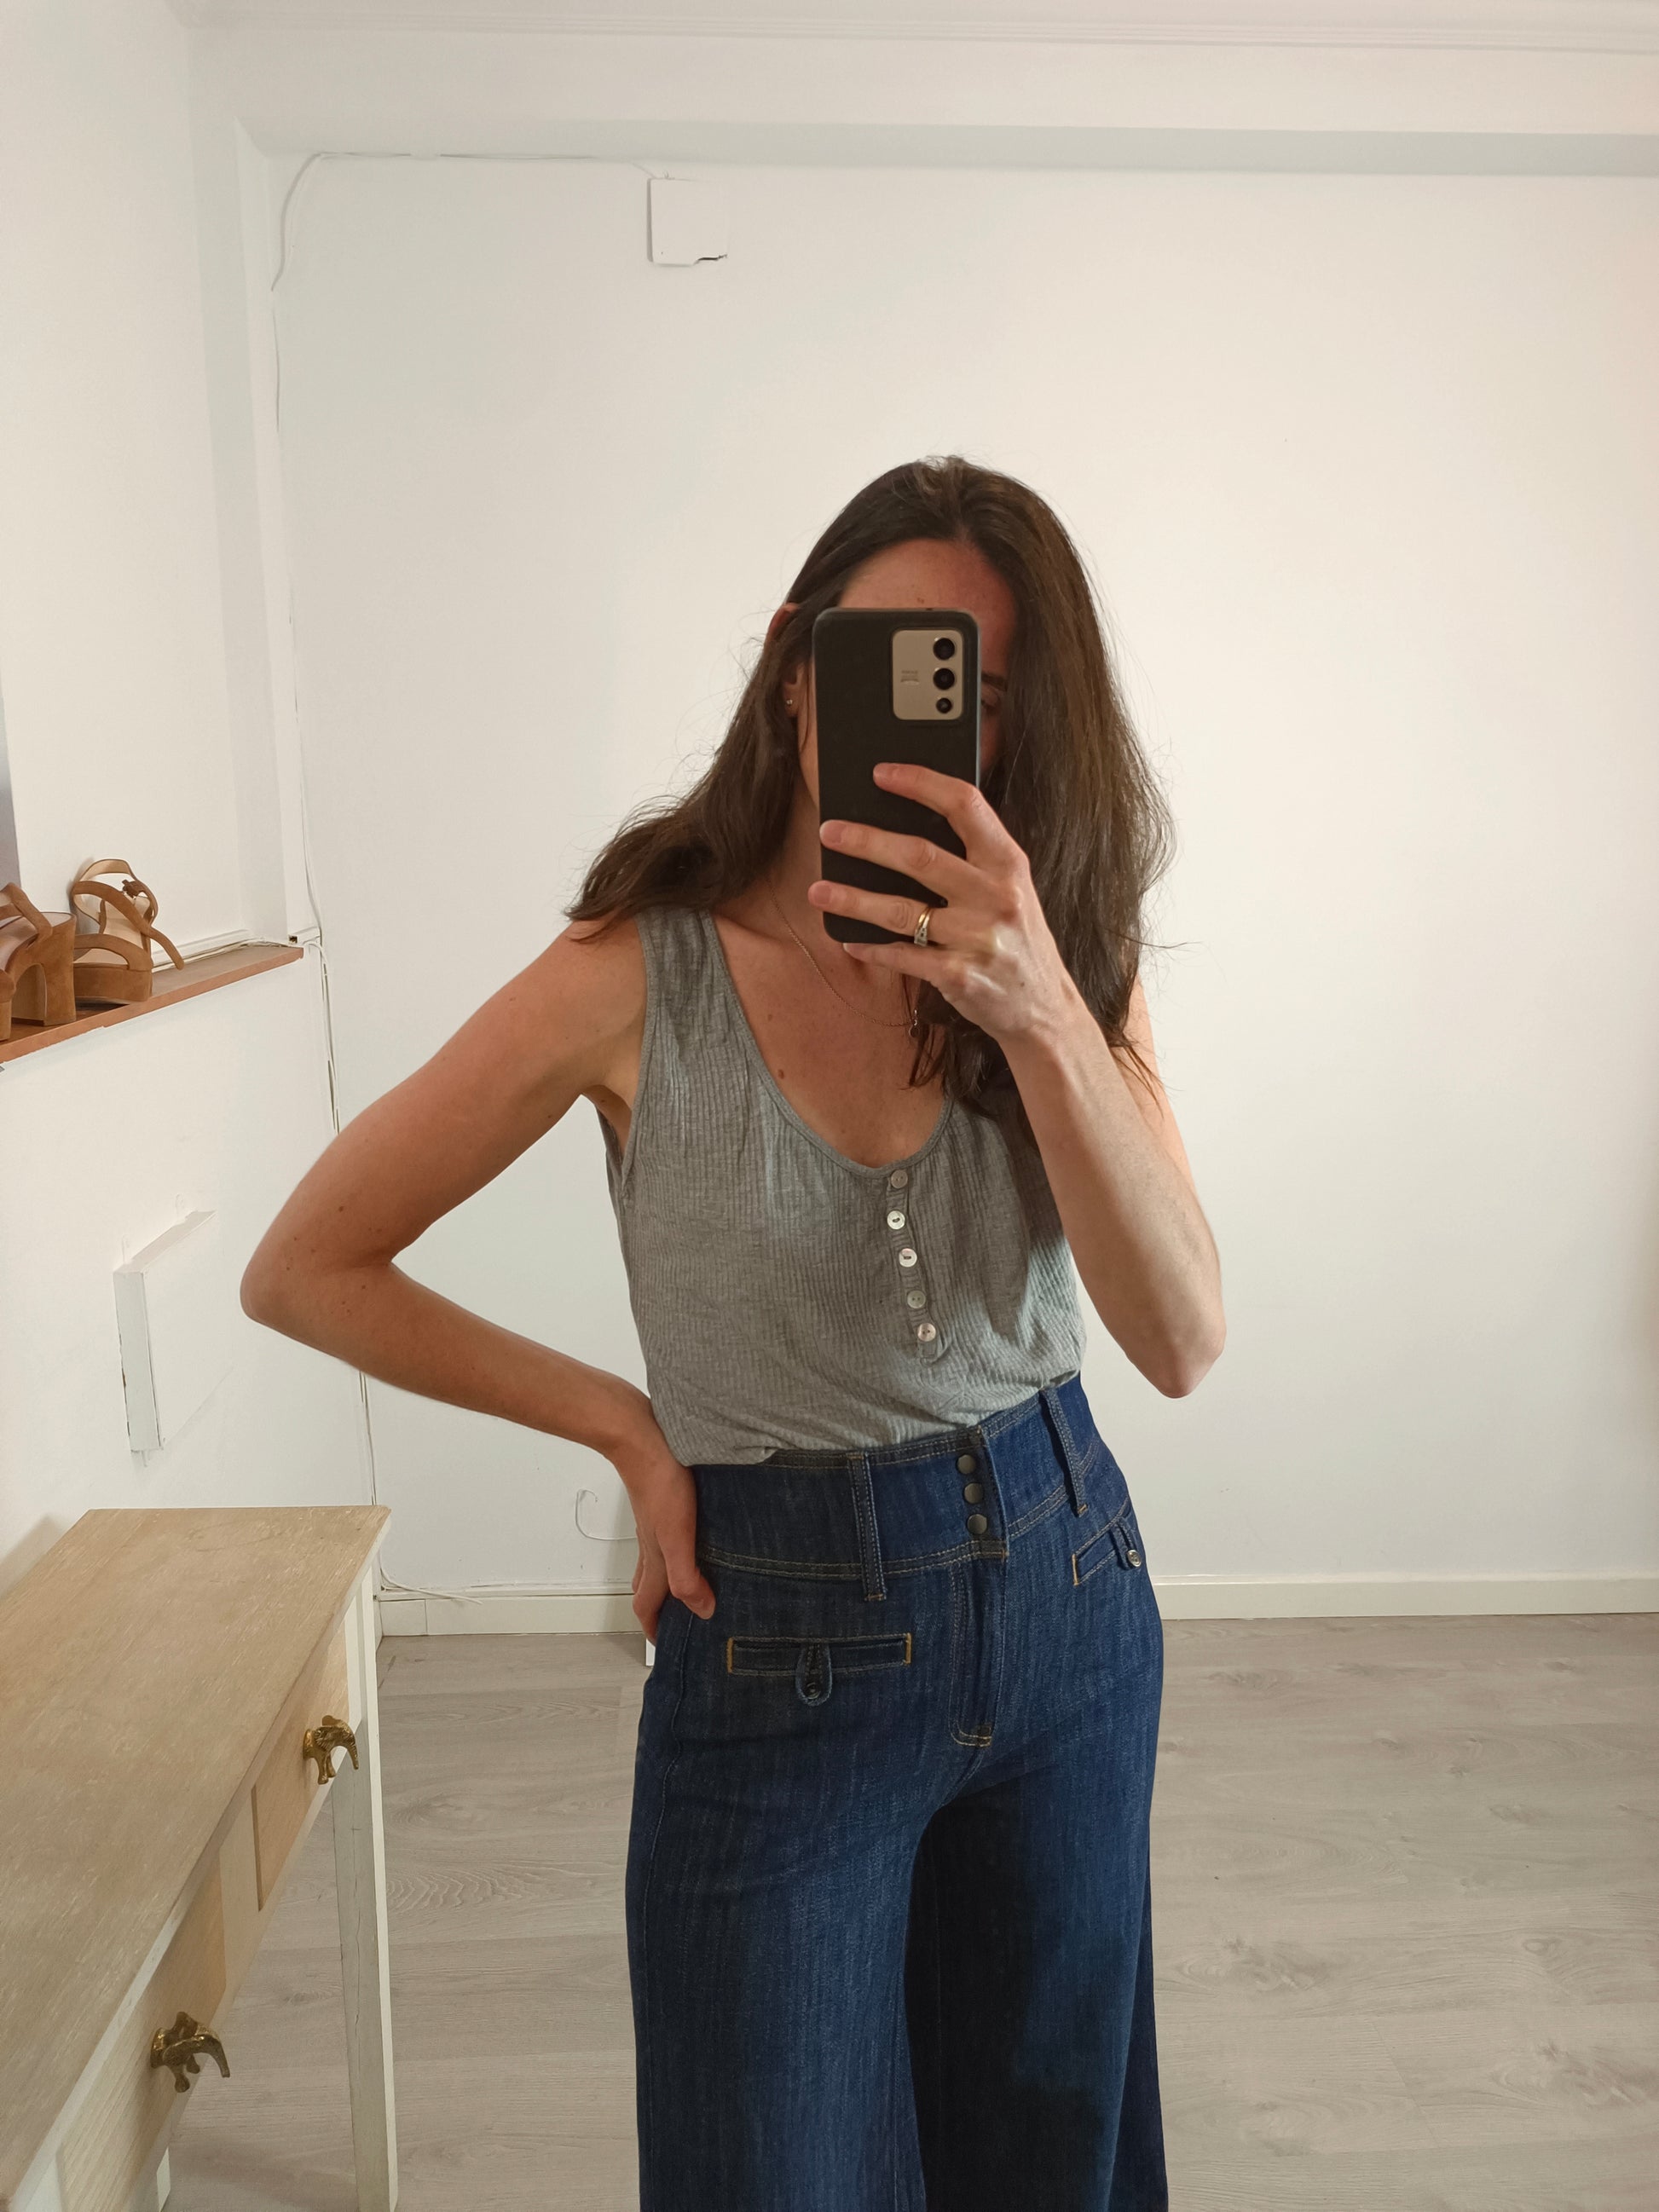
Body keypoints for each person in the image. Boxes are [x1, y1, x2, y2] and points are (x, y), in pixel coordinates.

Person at [242, 453, 1224, 2211]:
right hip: (782, 1640)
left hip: (1072, 1596)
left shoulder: (1068, 949)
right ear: (795, 664)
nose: (944, 723)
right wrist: (626, 1427)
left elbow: (1181, 1336)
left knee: (1045, 2151)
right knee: (765, 2167)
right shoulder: (635, 972)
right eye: (897, 661)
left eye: (988, 694)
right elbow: (307, 1263)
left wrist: (1042, 1012)